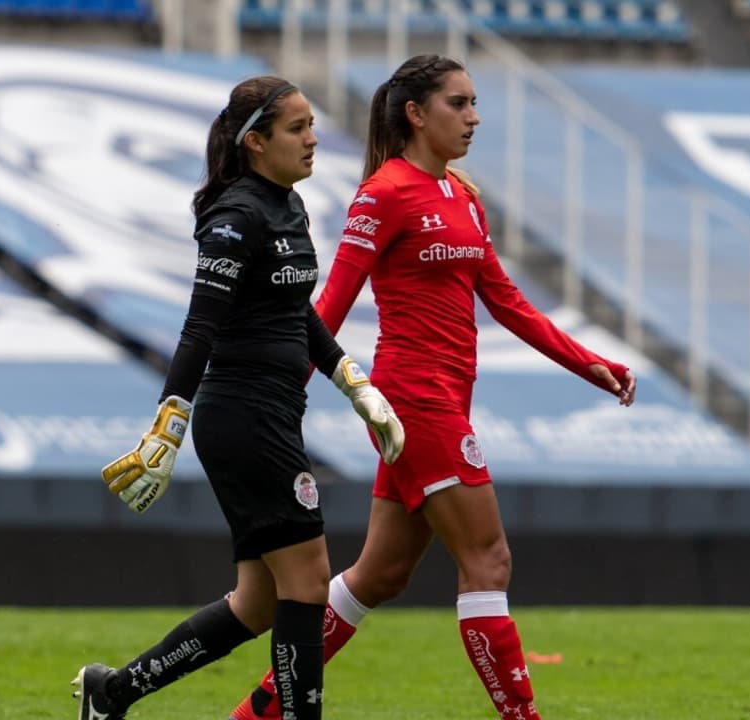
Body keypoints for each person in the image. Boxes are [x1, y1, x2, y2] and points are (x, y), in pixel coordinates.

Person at [227, 55, 637, 720]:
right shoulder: (383, 193)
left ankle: (255, 715)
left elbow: (506, 301)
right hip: (414, 398)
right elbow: (330, 301)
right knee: (488, 560)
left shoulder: (464, 196)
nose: (473, 118)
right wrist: (281, 391)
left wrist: (589, 362)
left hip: (442, 398)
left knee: (379, 577)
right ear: (416, 113)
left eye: (475, 104)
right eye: (458, 103)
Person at [71, 75, 405, 720]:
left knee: (256, 601)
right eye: (297, 128)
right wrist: (169, 420)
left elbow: (295, 311)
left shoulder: (289, 206)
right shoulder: (236, 215)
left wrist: (353, 382)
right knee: (308, 583)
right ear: (256, 142)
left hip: (273, 413)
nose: (313, 140)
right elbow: (201, 326)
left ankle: (110, 694)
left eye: (311, 125)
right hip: (245, 419)